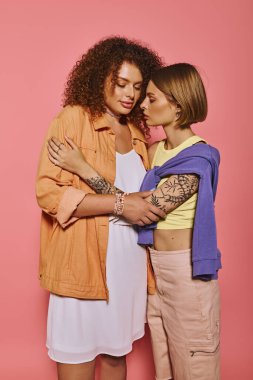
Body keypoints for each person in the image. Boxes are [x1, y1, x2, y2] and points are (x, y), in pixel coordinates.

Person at [48, 63, 221, 380]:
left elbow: (144, 209)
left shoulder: (199, 159)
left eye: (149, 96)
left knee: (195, 364)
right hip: (154, 274)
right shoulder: (153, 150)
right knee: (165, 366)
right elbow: (126, 199)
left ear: (177, 105)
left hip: (186, 273)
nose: (141, 103)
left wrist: (84, 169)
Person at [36, 36, 165, 380]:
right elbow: (48, 193)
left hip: (130, 265)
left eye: (137, 87)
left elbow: (146, 201)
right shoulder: (73, 119)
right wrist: (120, 204)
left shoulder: (138, 134)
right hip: (82, 261)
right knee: (77, 357)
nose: (130, 94)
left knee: (114, 357)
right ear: (98, 79)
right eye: (120, 83)